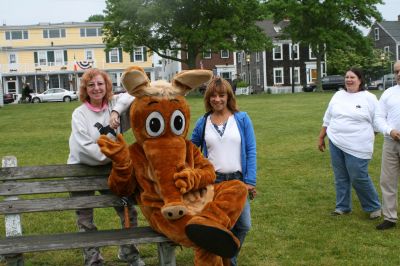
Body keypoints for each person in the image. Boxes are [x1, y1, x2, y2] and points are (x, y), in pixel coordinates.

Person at [67, 68, 144, 266]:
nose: (96, 88)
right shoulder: (79, 114)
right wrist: (115, 155)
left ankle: (129, 253)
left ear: (107, 86)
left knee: (127, 211)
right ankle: (93, 260)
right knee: (85, 219)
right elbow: (84, 149)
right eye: (91, 85)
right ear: (85, 88)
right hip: (81, 170)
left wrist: (117, 111)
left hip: (110, 170)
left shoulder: (113, 105)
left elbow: (133, 94)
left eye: (100, 84)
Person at [191, 76, 257, 266]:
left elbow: (251, 150)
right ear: (208, 98)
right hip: (213, 183)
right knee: (216, 227)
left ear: (228, 96)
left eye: (221, 95)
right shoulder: (203, 122)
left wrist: (250, 181)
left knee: (243, 225)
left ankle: (229, 259)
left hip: (238, 182)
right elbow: (192, 151)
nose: (217, 99)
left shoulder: (242, 119)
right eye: (213, 96)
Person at [318, 67, 381, 219]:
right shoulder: (338, 95)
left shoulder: (369, 98)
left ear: (360, 80)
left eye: (352, 77)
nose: (349, 80)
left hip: (359, 145)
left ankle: (374, 206)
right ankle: (343, 206)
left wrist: (367, 136)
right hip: (335, 141)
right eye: (347, 77)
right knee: (340, 176)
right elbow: (328, 118)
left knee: (358, 175)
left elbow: (377, 122)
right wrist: (321, 137)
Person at [374, 60, 400, 230]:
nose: (398, 74)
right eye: (396, 71)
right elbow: (378, 117)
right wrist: (389, 130)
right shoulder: (389, 93)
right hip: (391, 143)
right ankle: (390, 217)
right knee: (387, 180)